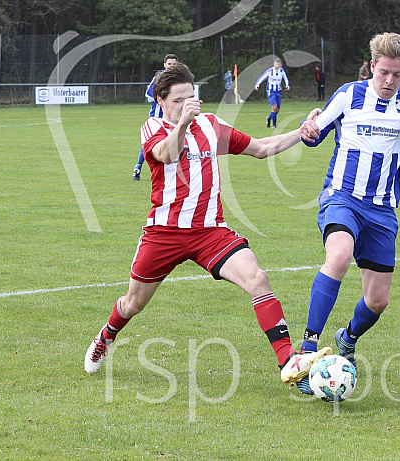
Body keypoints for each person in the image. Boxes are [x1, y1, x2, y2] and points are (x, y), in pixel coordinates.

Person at [84, 63, 331, 389]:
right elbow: (166, 154)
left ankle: (288, 360)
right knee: (133, 304)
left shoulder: (212, 125)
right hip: (164, 233)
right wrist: (183, 122)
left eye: (192, 98)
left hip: (210, 231)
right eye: (178, 100)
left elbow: (259, 148)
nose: (188, 104)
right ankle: (107, 335)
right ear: (161, 99)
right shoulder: (152, 126)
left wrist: (302, 131)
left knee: (258, 278)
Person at [297, 32, 400, 395]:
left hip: (383, 210)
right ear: (372, 66)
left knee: (377, 300)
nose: (389, 81)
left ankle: (347, 337)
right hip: (342, 197)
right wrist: (309, 130)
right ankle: (307, 351)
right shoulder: (349, 95)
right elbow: (315, 134)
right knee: (338, 257)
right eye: (384, 72)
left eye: (398, 75)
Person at [133, 53, 179, 181]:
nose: (171, 66)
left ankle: (173, 172)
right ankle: (138, 167)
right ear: (164, 65)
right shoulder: (159, 77)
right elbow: (148, 93)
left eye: (174, 64)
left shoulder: (179, 78)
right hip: (156, 117)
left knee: (175, 141)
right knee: (150, 143)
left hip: (172, 117)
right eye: (169, 64)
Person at [254, 57, 290, 129]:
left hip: (278, 91)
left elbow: (285, 78)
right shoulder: (270, 71)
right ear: (274, 64)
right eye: (276, 64)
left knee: (277, 110)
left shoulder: (282, 71)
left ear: (280, 65)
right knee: (274, 107)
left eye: (278, 64)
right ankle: (274, 124)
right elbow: (262, 77)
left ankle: (269, 118)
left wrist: (287, 84)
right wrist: (257, 84)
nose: (277, 66)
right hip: (271, 91)